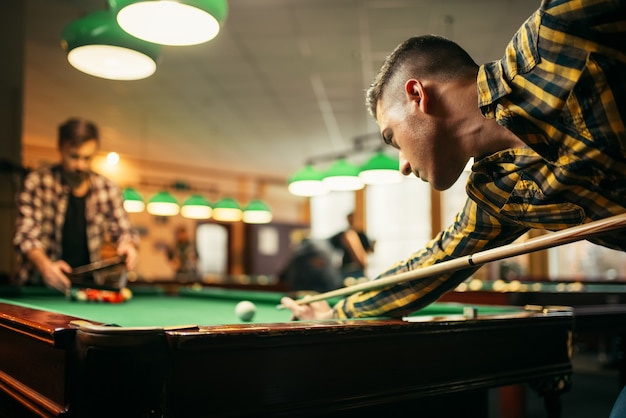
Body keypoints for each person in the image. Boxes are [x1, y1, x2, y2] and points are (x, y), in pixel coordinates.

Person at [282, 0, 626, 320]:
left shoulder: (558, 30)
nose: (402, 164)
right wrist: (338, 313)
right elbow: (431, 267)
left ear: (417, 95)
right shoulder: (497, 192)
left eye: (392, 138)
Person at [13, 118, 138, 293]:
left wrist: (128, 245)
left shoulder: (108, 188)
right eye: (74, 156)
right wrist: (46, 266)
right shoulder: (37, 182)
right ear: (60, 148)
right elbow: (25, 236)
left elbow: (124, 231)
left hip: (87, 289)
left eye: (87, 158)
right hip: (38, 287)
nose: (80, 165)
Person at [329, 212, 375, 279]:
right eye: (349, 219)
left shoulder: (361, 235)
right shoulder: (344, 234)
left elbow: (369, 251)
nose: (351, 221)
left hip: (358, 267)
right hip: (347, 266)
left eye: (352, 219)